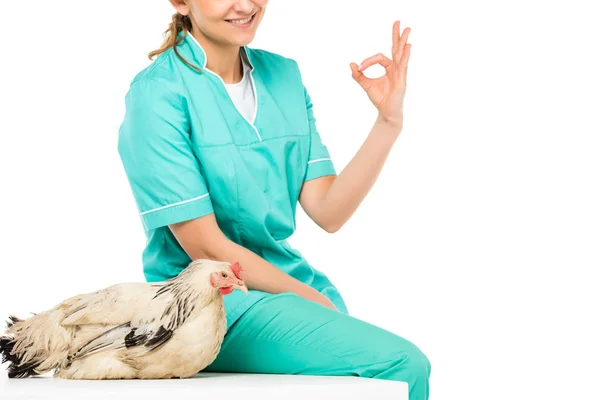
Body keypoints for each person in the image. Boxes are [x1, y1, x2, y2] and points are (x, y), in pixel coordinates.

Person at [117, 1, 429, 399]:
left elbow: (329, 210)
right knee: (403, 365)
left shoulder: (284, 76)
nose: (245, 5)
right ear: (180, 2)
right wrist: (310, 299)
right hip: (211, 307)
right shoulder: (156, 95)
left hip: (289, 294)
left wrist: (389, 121)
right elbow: (207, 247)